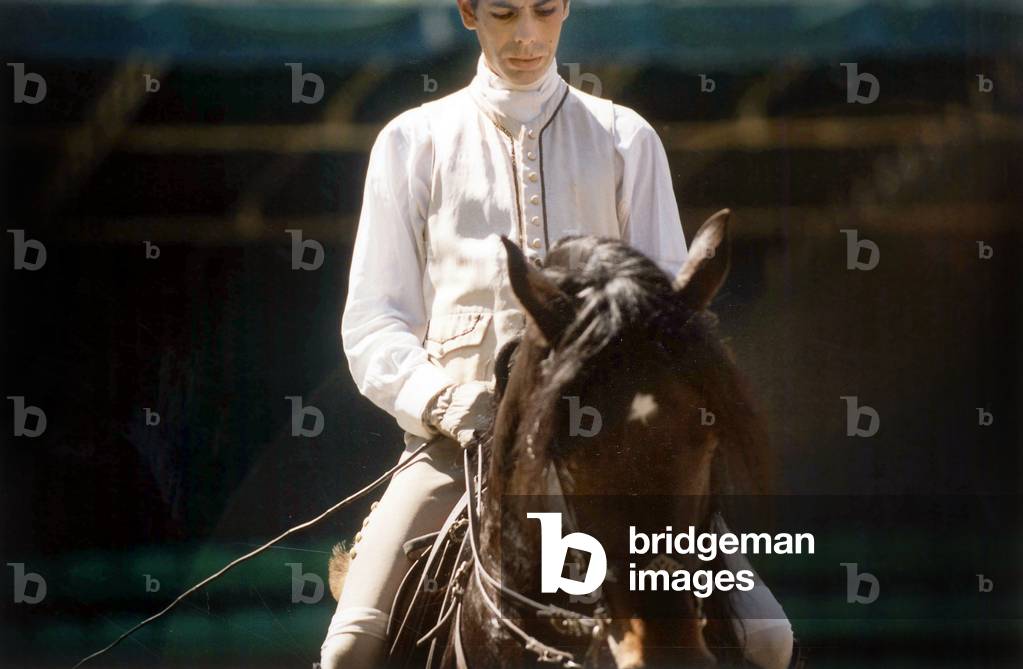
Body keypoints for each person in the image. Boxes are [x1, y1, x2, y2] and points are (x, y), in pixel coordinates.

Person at [320, 1, 794, 667]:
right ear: (467, 12)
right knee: (347, 647)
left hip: (614, 459)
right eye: (503, 12)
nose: (525, 35)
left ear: (565, 8)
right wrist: (449, 403)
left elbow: (665, 317)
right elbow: (373, 322)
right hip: (458, 453)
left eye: (543, 10)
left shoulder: (625, 137)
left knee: (769, 638)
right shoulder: (410, 142)